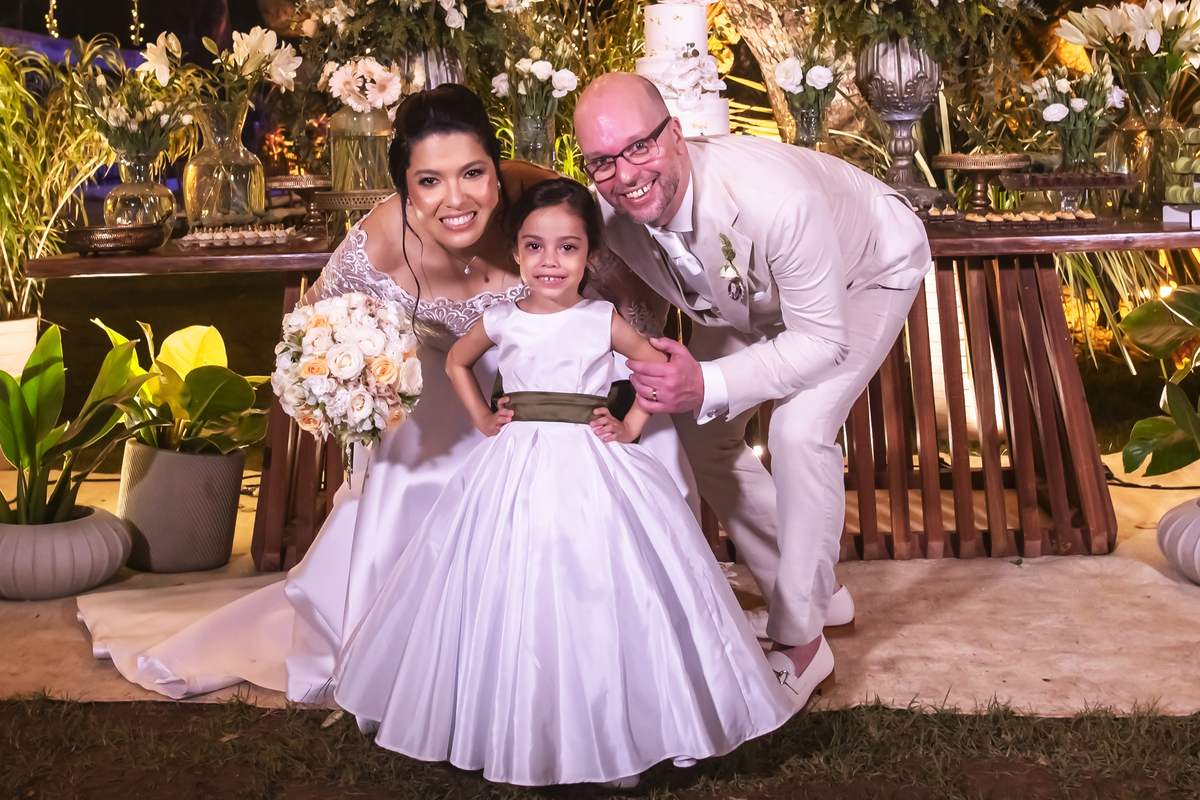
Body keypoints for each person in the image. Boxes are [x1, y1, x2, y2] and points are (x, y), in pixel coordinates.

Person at [76, 84, 696, 703]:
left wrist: (599, 397)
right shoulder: (377, 245)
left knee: (641, 445)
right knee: (417, 472)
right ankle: (427, 650)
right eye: (430, 182)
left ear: (498, 168)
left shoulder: (546, 210)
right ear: (404, 186)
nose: (456, 200)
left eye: (474, 174)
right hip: (443, 381)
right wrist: (355, 387)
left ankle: (614, 630)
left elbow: (637, 313)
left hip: (546, 384)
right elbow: (313, 334)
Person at [333, 178, 793, 786]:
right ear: (517, 252)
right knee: (511, 579)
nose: (551, 262)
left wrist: (630, 423)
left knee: (599, 578)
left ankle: (618, 729)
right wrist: (482, 417)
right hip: (515, 462)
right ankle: (511, 719)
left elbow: (656, 365)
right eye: (535, 247)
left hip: (591, 462)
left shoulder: (601, 319)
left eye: (568, 248)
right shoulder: (501, 319)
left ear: (589, 255)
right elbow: (455, 361)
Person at [573, 73, 932, 708]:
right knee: (701, 429)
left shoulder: (775, 198)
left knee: (798, 431)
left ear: (676, 134)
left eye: (639, 148)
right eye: (602, 161)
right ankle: (815, 597)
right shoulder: (611, 213)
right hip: (747, 304)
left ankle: (800, 641)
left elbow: (822, 341)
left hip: (865, 272)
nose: (625, 175)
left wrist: (706, 379)